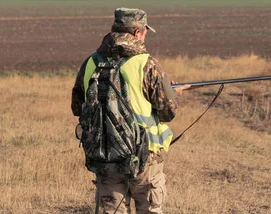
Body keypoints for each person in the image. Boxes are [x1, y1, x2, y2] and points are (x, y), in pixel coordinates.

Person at [71, 7, 190, 214]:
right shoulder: (147, 64)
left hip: (105, 157)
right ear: (137, 32)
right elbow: (167, 112)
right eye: (144, 32)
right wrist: (172, 93)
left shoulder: (90, 62)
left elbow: (77, 107)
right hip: (145, 158)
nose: (144, 38)